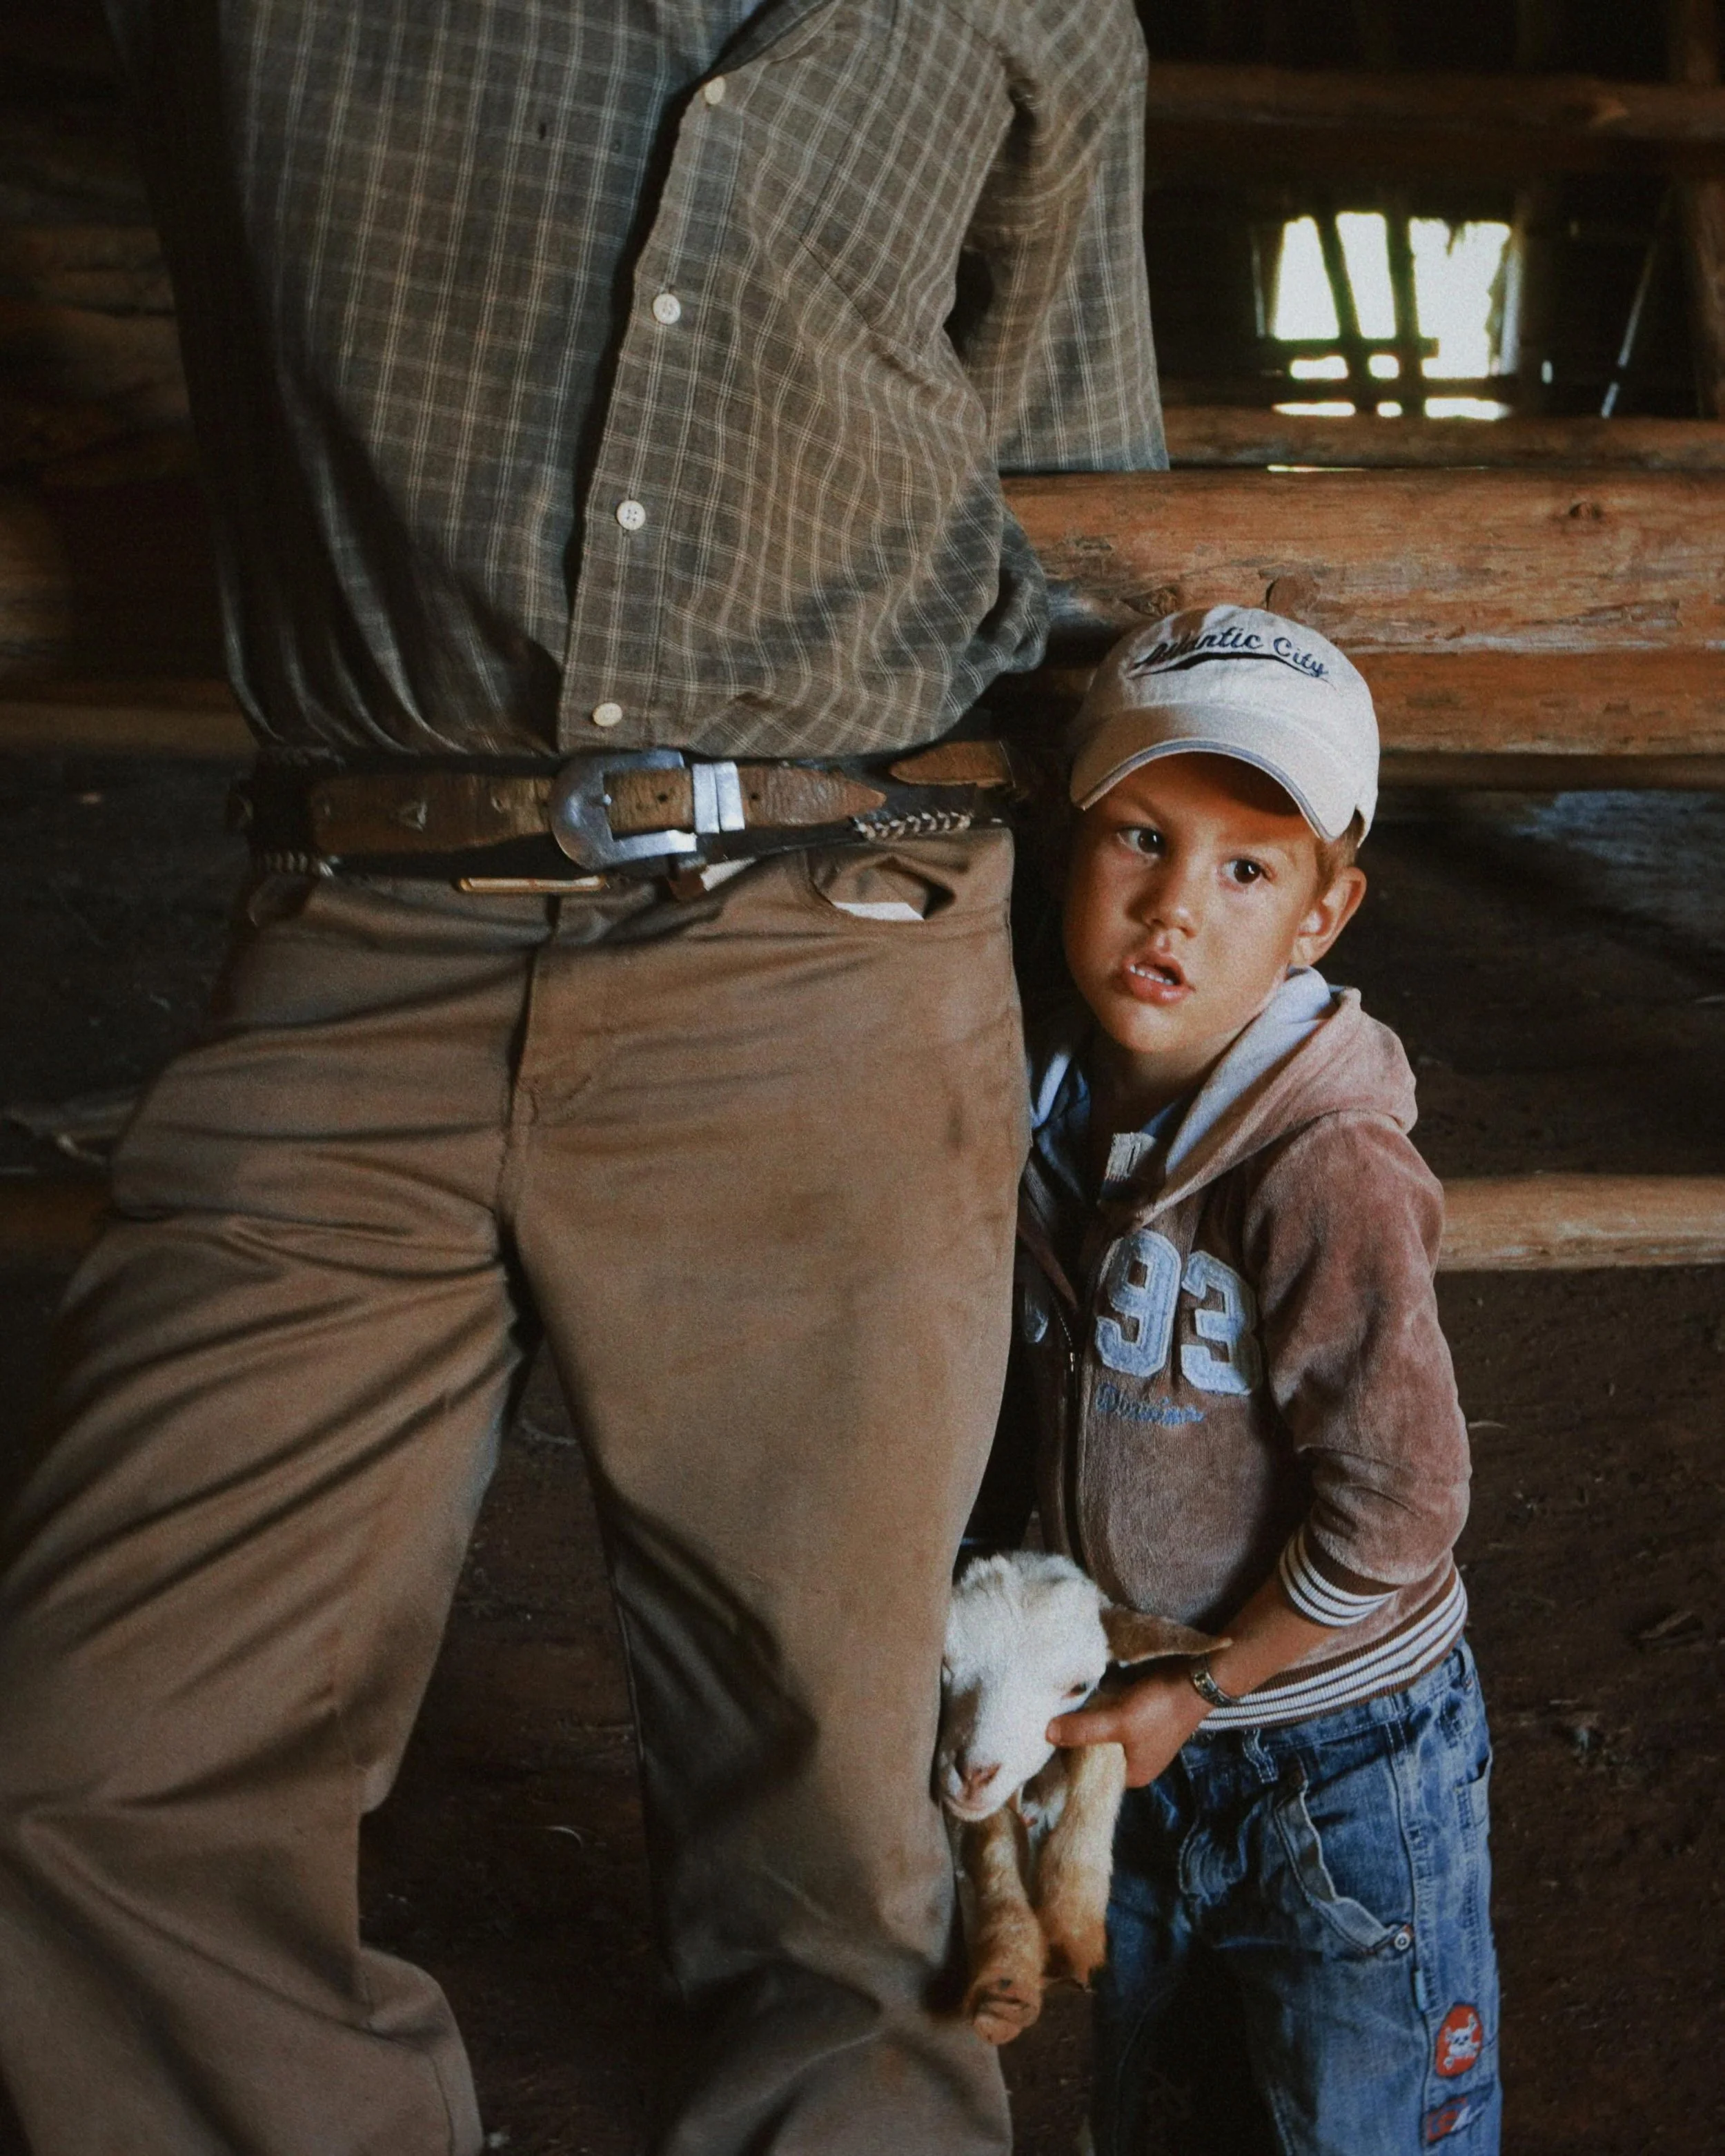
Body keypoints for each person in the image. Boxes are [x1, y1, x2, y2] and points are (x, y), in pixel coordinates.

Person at [0, 6, 1163, 2153]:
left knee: (849, 1856)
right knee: (92, 1761)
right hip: (364, 931)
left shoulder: (1024, 15)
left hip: (839, 929)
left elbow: (1063, 499)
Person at [1006, 605, 1500, 2155]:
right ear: (1067, 838)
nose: (1171, 909)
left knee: (1353, 2126)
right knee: (1161, 2110)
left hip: (1337, 1754)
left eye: (1244, 868)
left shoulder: (1322, 1160)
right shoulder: (1045, 1106)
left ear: (1321, 912)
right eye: (1138, 838)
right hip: (1146, 1727)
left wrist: (1209, 1683)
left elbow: (1404, 1503)